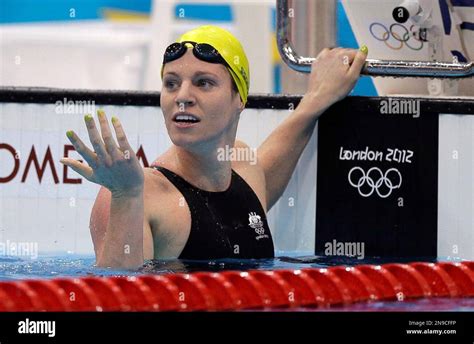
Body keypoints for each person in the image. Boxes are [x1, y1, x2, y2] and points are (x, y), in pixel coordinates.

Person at [59, 25, 368, 268]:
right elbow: (116, 302)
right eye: (171, 83)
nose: (183, 96)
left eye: (203, 82)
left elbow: (274, 157)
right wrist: (126, 196)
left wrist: (317, 98)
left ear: (239, 98)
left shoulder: (245, 170)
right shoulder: (139, 195)